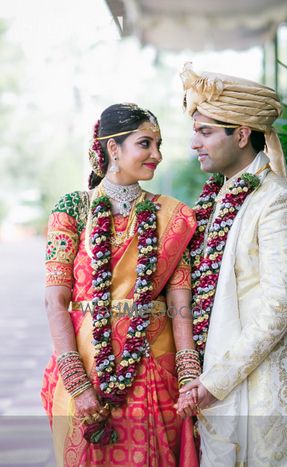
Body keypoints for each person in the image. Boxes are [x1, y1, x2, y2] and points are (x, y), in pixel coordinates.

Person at [175, 63, 287, 466]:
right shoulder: (217, 199)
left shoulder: (278, 201)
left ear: (242, 134)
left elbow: (280, 308)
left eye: (205, 131)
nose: (195, 142)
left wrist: (216, 381)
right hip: (216, 382)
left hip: (263, 387)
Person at [41, 103, 200, 466]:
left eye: (159, 144)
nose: (156, 155)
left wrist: (189, 372)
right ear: (113, 148)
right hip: (86, 364)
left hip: (152, 367)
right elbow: (55, 300)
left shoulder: (173, 216)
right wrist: (77, 382)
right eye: (145, 143)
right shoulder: (73, 209)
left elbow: (180, 303)